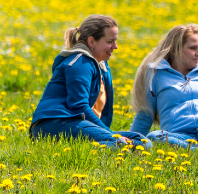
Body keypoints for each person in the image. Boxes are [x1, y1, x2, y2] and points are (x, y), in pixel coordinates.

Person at [31, 15, 149, 148]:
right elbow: (78, 106)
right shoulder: (80, 63)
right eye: (110, 41)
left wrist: (107, 133)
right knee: (121, 143)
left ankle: (98, 145)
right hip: (54, 123)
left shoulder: (101, 65)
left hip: (74, 123)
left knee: (141, 141)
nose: (115, 47)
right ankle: (85, 151)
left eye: (115, 41)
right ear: (92, 41)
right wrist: (110, 135)